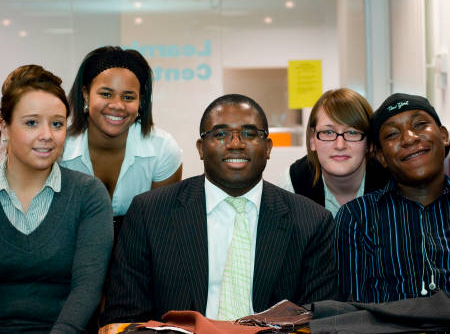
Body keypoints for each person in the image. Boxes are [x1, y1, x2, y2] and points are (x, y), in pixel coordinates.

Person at [100, 94, 337, 325]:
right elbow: (125, 316)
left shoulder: (311, 222)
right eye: (221, 134)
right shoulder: (149, 213)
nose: (236, 144)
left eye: (249, 133)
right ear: (201, 148)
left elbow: (319, 320)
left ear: (268, 147)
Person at [0, 65, 113, 333]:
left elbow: (87, 290)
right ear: (4, 127)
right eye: (31, 123)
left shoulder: (88, 194)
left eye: (57, 124)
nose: (47, 136)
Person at [335, 93, 450, 303]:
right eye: (392, 135)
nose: (408, 138)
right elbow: (352, 310)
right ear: (381, 157)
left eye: (420, 124)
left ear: (444, 135)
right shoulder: (357, 217)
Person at [60, 46, 182, 226]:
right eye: (106, 94)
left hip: (139, 248)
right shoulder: (59, 146)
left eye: (128, 97)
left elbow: (161, 226)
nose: (117, 105)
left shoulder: (162, 149)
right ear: (86, 94)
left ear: (141, 101)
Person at [278, 88, 389, 217]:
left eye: (352, 133)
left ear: (369, 143)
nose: (340, 145)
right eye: (328, 132)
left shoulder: (392, 183)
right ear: (312, 140)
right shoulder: (291, 185)